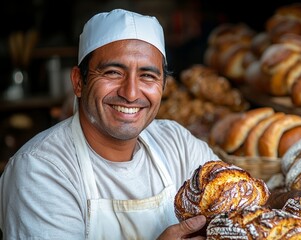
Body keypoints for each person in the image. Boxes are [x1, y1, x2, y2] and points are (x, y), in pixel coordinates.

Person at [0, 9, 220, 239]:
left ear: (163, 87)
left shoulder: (177, 144)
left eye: (147, 76)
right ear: (78, 82)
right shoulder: (40, 170)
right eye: (113, 72)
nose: (131, 93)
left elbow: (243, 205)